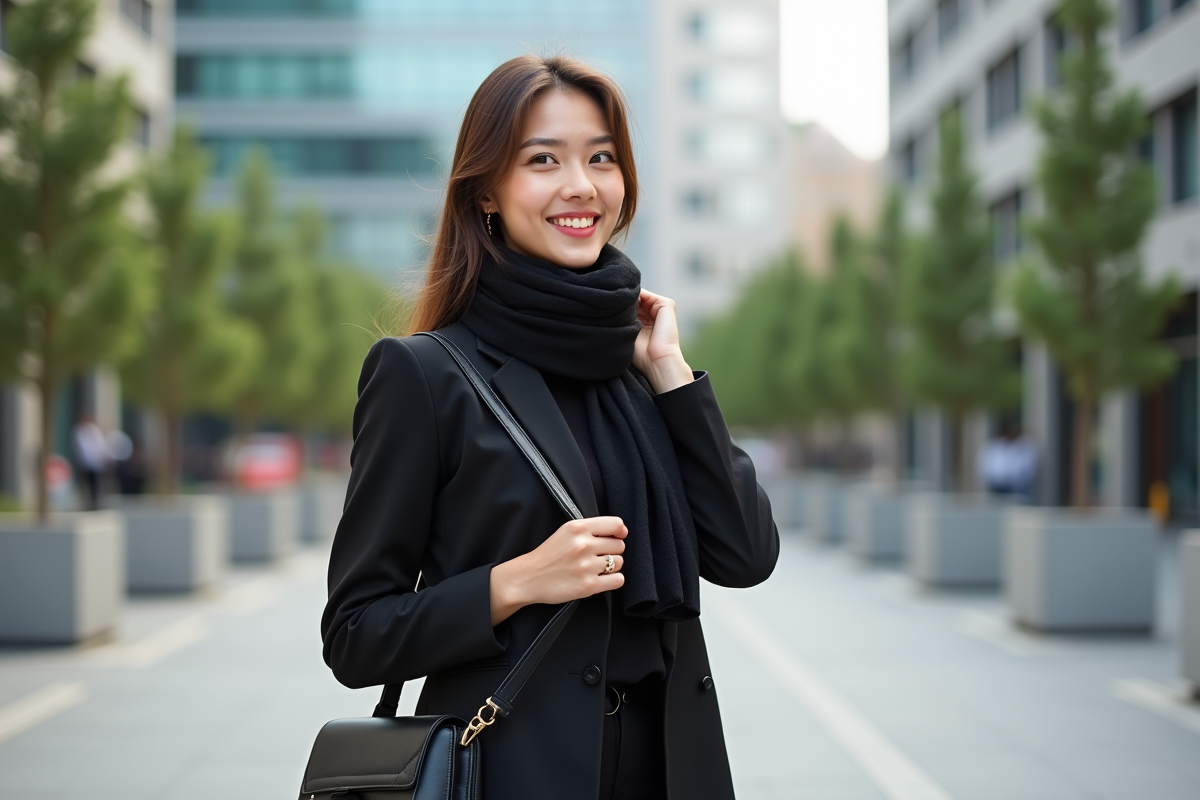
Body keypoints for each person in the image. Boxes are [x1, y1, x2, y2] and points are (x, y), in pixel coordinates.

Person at [321, 55, 779, 800]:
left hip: (671, 768)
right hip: (512, 771)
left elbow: (745, 554)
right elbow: (354, 633)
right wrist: (515, 583)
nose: (582, 185)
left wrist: (671, 378)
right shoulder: (425, 375)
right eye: (543, 160)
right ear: (489, 192)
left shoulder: (636, 368)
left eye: (602, 157)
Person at [71, 412, 110, 510]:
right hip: (85, 464)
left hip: (96, 464)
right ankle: (87, 503)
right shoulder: (78, 431)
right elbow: (80, 449)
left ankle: (95, 503)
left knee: (96, 484)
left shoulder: (94, 430)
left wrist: (102, 458)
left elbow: (101, 445)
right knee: (84, 485)